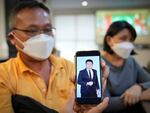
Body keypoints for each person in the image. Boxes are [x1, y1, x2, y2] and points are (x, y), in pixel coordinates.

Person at [0, 0, 109, 113]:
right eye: (32, 30)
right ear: (12, 38)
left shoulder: (69, 67)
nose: (42, 36)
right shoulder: (3, 74)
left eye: (47, 29)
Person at [101, 21, 150, 113]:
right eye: (123, 38)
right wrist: (140, 95)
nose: (128, 44)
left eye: (130, 40)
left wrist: (138, 87)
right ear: (109, 40)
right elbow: (105, 104)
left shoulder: (131, 62)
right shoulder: (100, 64)